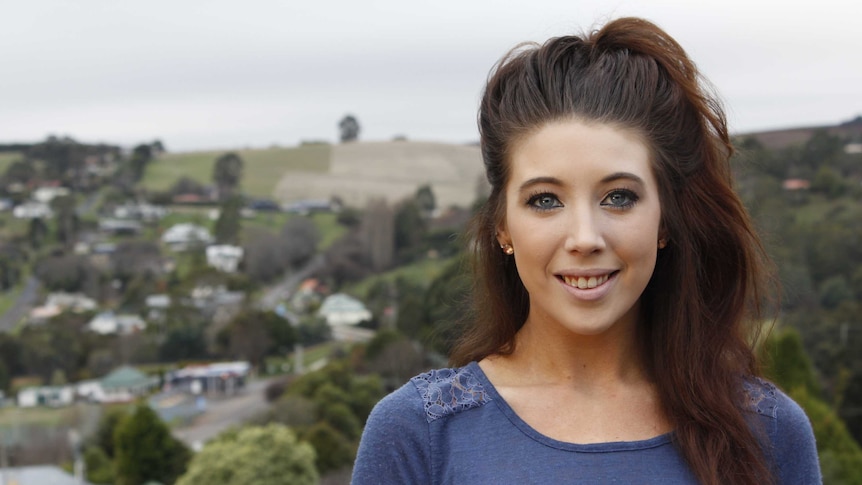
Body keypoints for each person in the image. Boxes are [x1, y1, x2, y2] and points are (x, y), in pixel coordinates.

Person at [351, 17, 821, 485]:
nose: (584, 237)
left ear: (665, 221)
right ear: (502, 227)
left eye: (619, 197)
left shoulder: (769, 431)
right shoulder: (420, 433)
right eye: (545, 200)